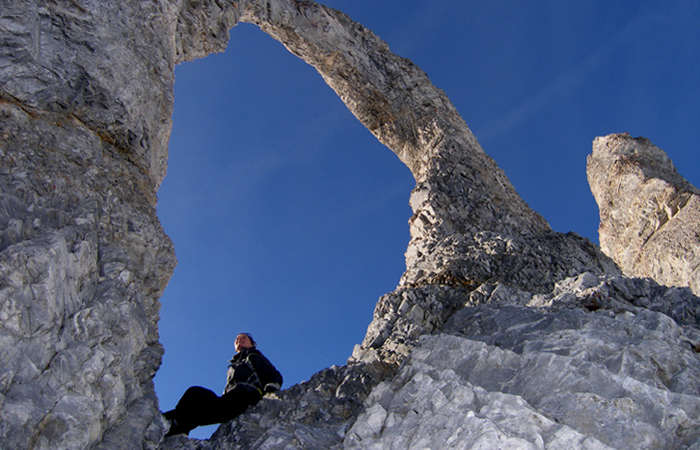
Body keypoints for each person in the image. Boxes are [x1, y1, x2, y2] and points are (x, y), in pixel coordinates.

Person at [163, 332, 283, 437]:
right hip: (230, 399)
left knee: (196, 405)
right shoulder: (234, 365)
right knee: (195, 394)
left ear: (252, 344)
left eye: (244, 338)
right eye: (237, 339)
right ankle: (176, 427)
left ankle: (168, 422)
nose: (239, 339)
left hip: (246, 397)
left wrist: (271, 388)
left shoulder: (254, 357)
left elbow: (274, 374)